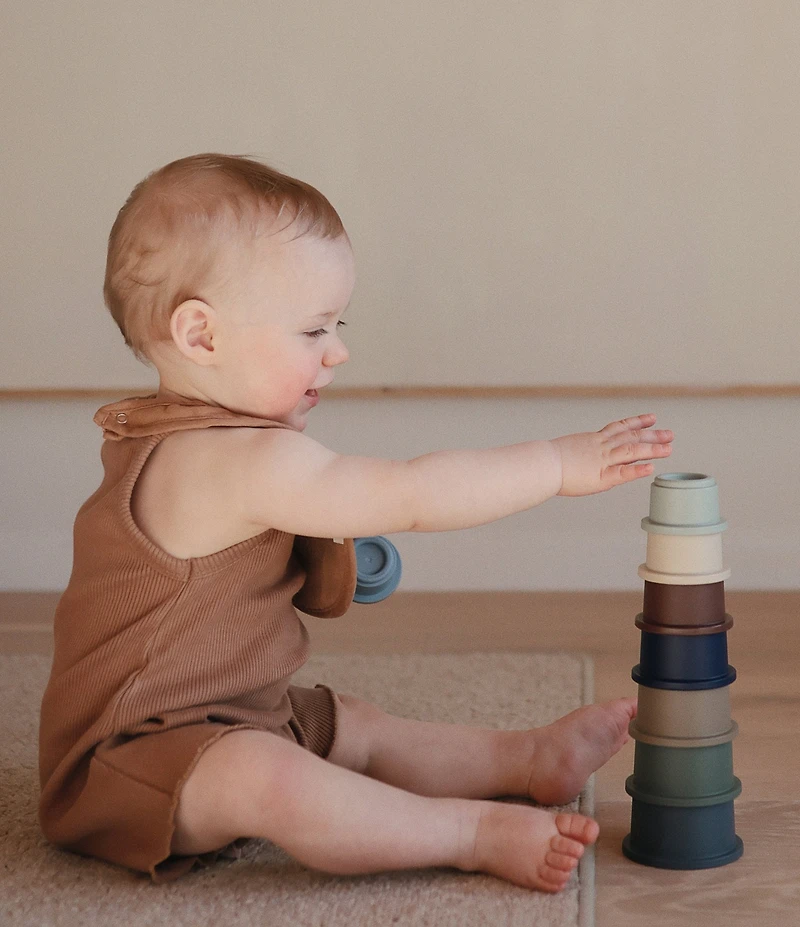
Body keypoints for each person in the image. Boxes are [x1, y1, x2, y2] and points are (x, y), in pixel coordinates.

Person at [38, 153, 674, 892]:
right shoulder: (223, 462)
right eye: (313, 329)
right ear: (202, 336)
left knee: (356, 727)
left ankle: (525, 757)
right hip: (125, 763)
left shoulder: (213, 438)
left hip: (235, 713)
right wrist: (557, 465)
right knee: (270, 775)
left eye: (339, 322)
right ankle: (467, 830)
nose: (339, 350)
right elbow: (408, 493)